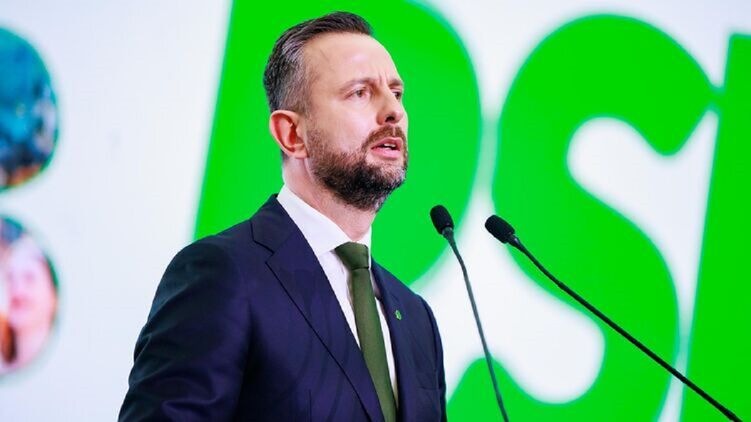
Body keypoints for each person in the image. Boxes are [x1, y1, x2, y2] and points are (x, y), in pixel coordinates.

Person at [120, 11, 446, 421]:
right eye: (360, 93)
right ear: (292, 135)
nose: (393, 111)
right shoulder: (223, 274)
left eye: (396, 93)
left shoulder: (415, 316)